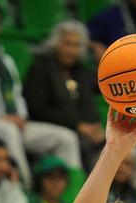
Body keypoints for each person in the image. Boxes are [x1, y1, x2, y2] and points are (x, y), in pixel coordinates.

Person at [0, 2, 83, 189]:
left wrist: (20, 116)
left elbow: (17, 95)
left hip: (13, 120)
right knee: (9, 130)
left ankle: (73, 194)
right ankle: (26, 189)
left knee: (66, 138)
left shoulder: (5, 60)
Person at [23, 21, 103, 169]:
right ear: (55, 44)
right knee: (72, 140)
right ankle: (76, 182)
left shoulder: (81, 71)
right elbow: (37, 109)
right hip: (47, 128)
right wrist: (77, 126)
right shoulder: (40, 68)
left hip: (81, 132)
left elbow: (87, 103)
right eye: (67, 44)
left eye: (76, 45)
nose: (71, 50)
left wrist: (94, 125)